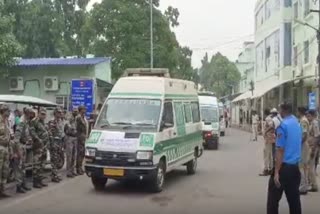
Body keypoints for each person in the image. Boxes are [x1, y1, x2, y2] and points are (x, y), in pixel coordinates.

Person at [267, 103, 302, 214]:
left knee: (273, 200)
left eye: (279, 110)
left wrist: (277, 172)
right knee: (294, 201)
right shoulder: (297, 123)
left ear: (283, 110)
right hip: (295, 168)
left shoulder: (283, 126)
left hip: (284, 168)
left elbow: (280, 150)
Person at [14, 108, 33, 193]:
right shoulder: (21, 123)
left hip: (24, 146)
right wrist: (18, 151)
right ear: (27, 113)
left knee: (23, 167)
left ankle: (22, 183)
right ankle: (18, 186)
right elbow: (16, 139)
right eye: (30, 113)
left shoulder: (25, 121)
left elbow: (26, 134)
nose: (31, 115)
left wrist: (28, 139)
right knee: (19, 167)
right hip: (20, 146)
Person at [29, 108, 49, 188]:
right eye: (42, 114)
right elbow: (32, 132)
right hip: (38, 146)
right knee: (37, 164)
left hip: (44, 146)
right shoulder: (34, 121)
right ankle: (35, 181)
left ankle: (40, 180)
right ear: (39, 114)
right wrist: (38, 139)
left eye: (44, 114)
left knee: (42, 164)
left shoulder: (43, 123)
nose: (43, 116)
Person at [48, 107, 64, 182]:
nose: (60, 114)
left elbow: (61, 132)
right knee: (54, 160)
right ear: (55, 113)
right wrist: (52, 143)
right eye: (59, 113)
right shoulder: (52, 121)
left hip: (59, 142)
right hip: (54, 142)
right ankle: (54, 175)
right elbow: (50, 133)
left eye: (61, 113)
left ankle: (55, 174)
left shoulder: (60, 121)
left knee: (57, 159)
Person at [297, 107, 310, 195]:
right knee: (304, 166)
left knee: (301, 166)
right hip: (303, 144)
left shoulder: (303, 121)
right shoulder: (302, 120)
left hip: (303, 145)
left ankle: (302, 187)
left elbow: (304, 134)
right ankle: (304, 186)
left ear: (299, 112)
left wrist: (299, 143)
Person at [306, 109, 319, 192]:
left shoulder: (315, 123)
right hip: (310, 146)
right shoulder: (311, 123)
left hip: (313, 147)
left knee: (311, 167)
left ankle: (314, 185)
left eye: (309, 116)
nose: (307, 117)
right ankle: (311, 183)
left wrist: (314, 149)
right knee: (309, 166)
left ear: (312, 115)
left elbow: (317, 136)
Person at [64, 108, 78, 178]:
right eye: (75, 111)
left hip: (75, 138)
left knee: (74, 156)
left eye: (77, 111)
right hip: (69, 137)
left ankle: (72, 170)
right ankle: (68, 172)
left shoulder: (76, 119)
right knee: (69, 156)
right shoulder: (69, 119)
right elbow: (66, 128)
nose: (76, 112)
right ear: (72, 112)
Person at [0, 105, 11, 195]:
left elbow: (9, 135)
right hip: (0, 148)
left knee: (5, 170)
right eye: (8, 111)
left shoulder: (7, 121)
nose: (9, 113)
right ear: (3, 111)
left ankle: (2, 190)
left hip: (6, 148)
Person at [260, 109, 275, 176]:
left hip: (268, 138)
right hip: (269, 138)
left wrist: (266, 131)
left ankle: (266, 169)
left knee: (266, 154)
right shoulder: (270, 118)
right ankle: (270, 168)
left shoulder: (268, 118)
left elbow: (271, 126)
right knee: (269, 154)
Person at [76, 105, 88, 175]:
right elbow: (77, 128)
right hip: (80, 137)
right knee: (80, 153)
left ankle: (80, 167)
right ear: (81, 110)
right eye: (84, 109)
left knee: (82, 153)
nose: (85, 110)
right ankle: (78, 168)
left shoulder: (84, 118)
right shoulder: (78, 118)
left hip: (83, 137)